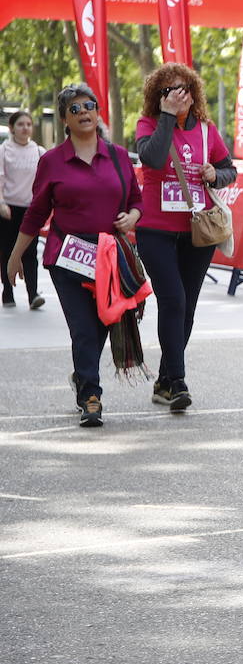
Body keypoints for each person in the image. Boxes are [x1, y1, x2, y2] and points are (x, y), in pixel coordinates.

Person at [7, 85, 143, 428]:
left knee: (100, 326)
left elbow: (138, 201)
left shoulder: (119, 156)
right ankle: (91, 397)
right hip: (66, 257)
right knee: (83, 328)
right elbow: (36, 214)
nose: (84, 111)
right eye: (76, 108)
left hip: (109, 257)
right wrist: (15, 257)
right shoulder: (51, 161)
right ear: (66, 119)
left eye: (90, 106)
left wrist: (133, 217)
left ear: (98, 113)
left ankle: (82, 376)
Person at [134, 63, 237, 412]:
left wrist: (216, 174)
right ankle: (177, 380)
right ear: (157, 97)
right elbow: (154, 157)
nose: (178, 95)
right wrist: (166, 116)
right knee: (173, 300)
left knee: (187, 308)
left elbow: (230, 169)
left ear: (193, 93)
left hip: (198, 229)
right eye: (168, 90)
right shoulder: (148, 125)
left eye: (183, 89)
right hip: (156, 230)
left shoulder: (207, 131)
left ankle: (164, 380)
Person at [0, 110, 46, 309]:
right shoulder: (4, 150)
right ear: (12, 128)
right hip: (8, 209)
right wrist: (1, 203)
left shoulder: (39, 151)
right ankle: (8, 293)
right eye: (20, 124)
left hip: (31, 210)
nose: (25, 127)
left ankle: (32, 294)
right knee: (7, 251)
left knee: (30, 253)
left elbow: (45, 183)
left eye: (28, 124)